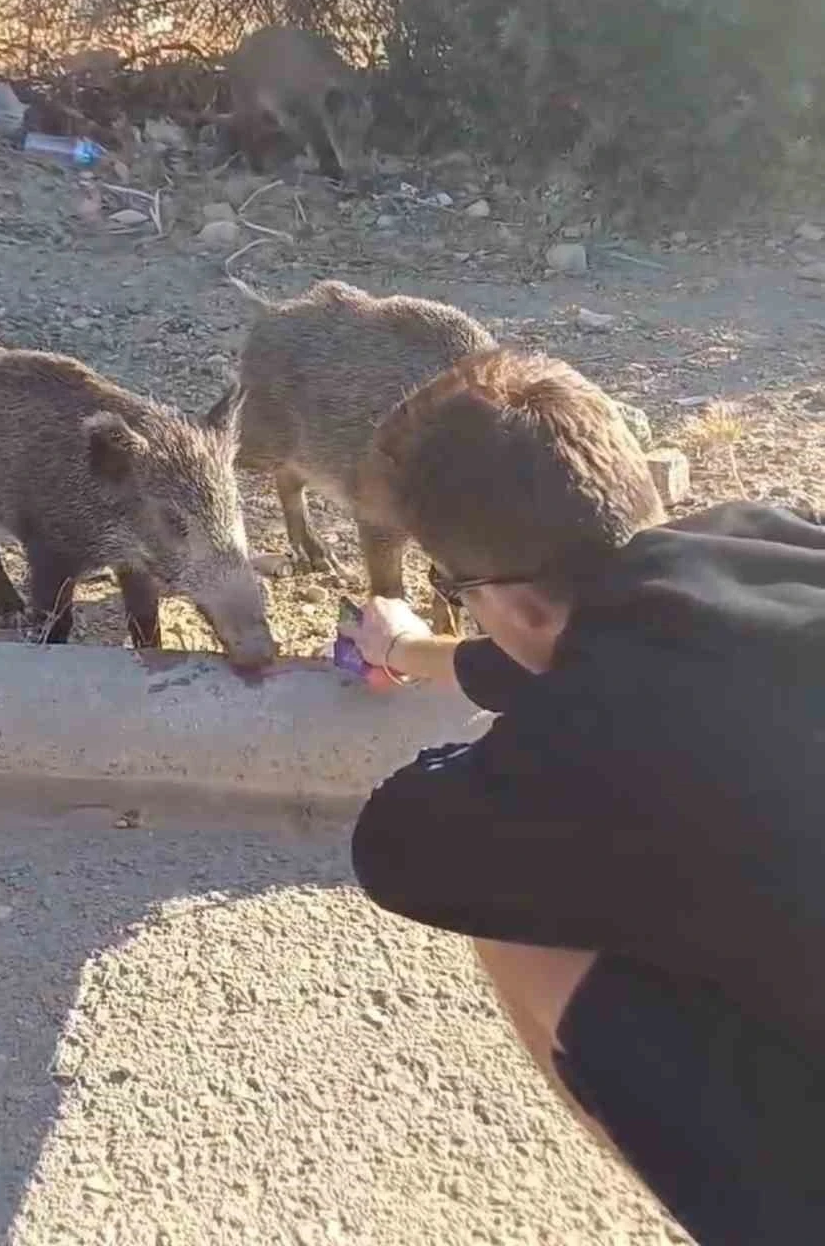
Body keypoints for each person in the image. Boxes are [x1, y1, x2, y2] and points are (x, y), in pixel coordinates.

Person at [343, 346, 825, 1246]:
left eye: (461, 596)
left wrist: (507, 736)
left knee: (520, 925)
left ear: (511, 604)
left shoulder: (587, 745)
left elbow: (398, 848)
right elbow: (608, 638)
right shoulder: (777, 537)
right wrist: (410, 649)